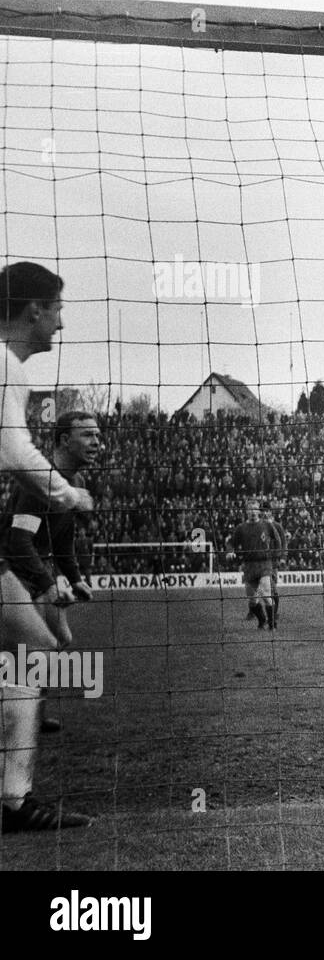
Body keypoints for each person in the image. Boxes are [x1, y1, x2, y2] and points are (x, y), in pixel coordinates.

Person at [0, 261, 96, 832]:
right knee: (32, 652)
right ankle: (13, 800)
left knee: (31, 649)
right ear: (34, 309)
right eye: (57, 310)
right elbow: (14, 454)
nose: (60, 325)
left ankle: (15, 798)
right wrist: (68, 496)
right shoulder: (6, 370)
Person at [0, 410, 101, 735]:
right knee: (39, 645)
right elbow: (17, 541)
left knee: (56, 640)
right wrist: (47, 585)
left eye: (98, 435)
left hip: (32, 569)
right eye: (87, 435)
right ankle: (22, 716)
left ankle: (31, 713)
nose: (97, 442)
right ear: (63, 440)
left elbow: (62, 540)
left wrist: (75, 579)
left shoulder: (76, 483)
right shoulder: (38, 483)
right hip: (11, 569)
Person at [228, 499, 278, 630]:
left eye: (255, 509)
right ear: (246, 511)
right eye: (250, 509)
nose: (253, 512)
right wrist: (230, 551)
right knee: (252, 600)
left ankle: (272, 625)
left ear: (259, 511)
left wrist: (275, 556)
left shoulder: (266, 525)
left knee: (266, 594)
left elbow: (277, 540)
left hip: (264, 564)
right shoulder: (241, 528)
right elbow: (231, 543)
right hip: (249, 566)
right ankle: (262, 621)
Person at [263, 502, 287, 626]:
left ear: (270, 512)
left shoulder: (277, 526)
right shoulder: (258, 526)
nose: (265, 513)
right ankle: (254, 610)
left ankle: (273, 616)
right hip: (259, 562)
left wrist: (283, 557)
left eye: (267, 511)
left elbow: (283, 542)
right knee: (257, 591)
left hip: (273, 562)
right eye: (263, 511)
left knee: (272, 589)